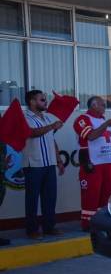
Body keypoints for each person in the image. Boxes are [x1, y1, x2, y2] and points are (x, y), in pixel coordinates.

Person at [22, 90, 65, 239]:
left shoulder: (46, 118)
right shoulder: (25, 116)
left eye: (45, 100)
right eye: (42, 100)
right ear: (32, 102)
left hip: (49, 163)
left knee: (50, 197)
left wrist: (59, 160)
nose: (45, 102)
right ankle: (32, 229)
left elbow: (51, 140)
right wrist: (52, 126)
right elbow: (31, 133)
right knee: (32, 199)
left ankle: (49, 227)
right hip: (33, 164)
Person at [73, 96, 111, 232]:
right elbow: (90, 136)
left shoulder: (103, 120)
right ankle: (88, 223)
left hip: (107, 162)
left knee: (107, 194)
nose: (105, 107)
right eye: (103, 105)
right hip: (92, 162)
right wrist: (106, 124)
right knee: (91, 194)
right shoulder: (83, 119)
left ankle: (103, 220)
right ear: (94, 105)